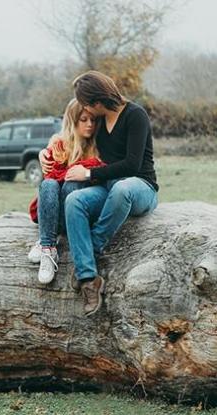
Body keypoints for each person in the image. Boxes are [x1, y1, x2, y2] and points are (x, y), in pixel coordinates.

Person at [61, 70, 158, 317]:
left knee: (122, 188)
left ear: (97, 102)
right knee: (74, 201)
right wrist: (48, 152)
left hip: (139, 187)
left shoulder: (135, 115)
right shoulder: (100, 121)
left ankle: (88, 254)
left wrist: (89, 176)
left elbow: (132, 165)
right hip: (108, 187)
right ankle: (89, 279)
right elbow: (73, 137)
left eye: (86, 104)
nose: (86, 111)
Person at [27, 98, 105, 284]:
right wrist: (43, 154)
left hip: (75, 214)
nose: (89, 125)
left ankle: (46, 240)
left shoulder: (98, 146)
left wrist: (82, 173)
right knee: (48, 184)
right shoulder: (59, 144)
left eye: (93, 120)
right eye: (83, 119)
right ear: (72, 120)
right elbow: (50, 174)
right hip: (52, 210)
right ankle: (48, 248)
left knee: (72, 184)